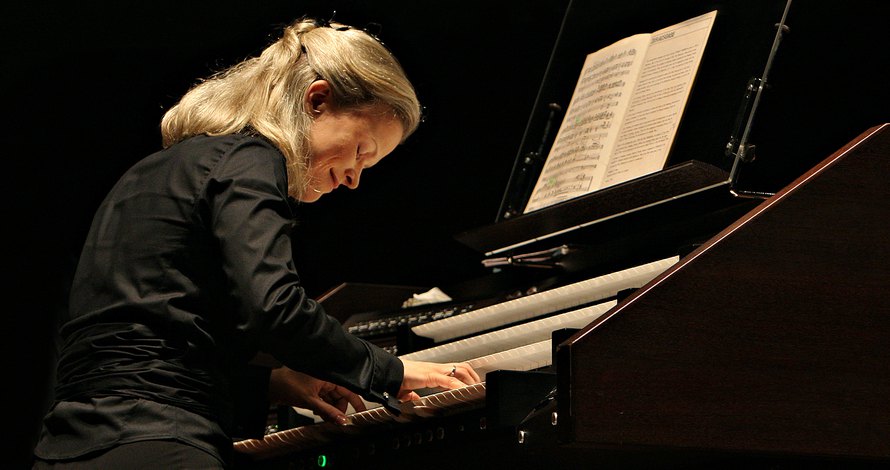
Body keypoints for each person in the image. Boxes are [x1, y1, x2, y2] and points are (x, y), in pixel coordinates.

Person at [32, 15, 480, 469]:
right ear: (317, 100)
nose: (354, 179)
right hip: (159, 444)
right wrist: (390, 371)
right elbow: (276, 307)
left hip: (70, 448)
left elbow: (144, 341)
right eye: (362, 152)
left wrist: (272, 384)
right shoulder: (250, 159)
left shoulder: (152, 172)